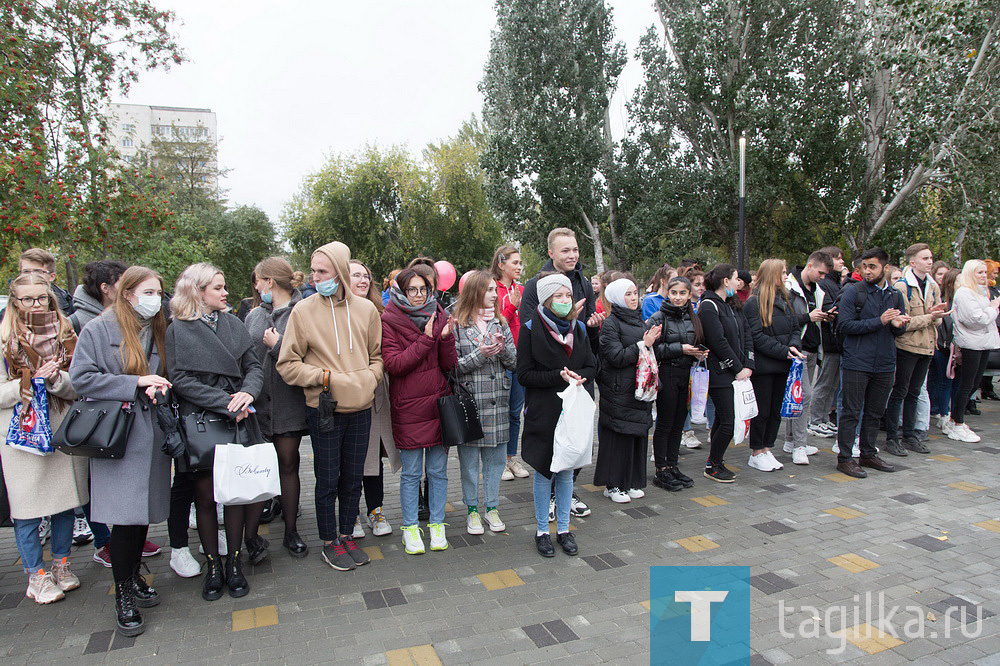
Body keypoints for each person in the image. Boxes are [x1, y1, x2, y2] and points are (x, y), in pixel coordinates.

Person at [71, 266, 173, 636]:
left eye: (159, 292)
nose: (155, 299)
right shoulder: (99, 329)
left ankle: (131, 579)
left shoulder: (156, 327)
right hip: (118, 435)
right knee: (126, 519)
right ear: (126, 292)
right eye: (148, 292)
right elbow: (81, 378)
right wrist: (136, 382)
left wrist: (158, 386)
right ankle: (123, 595)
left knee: (142, 513)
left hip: (151, 432)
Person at [277, 243, 383, 571]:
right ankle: (328, 540)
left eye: (322, 271)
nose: (315, 276)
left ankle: (346, 533)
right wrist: (325, 377)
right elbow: (287, 364)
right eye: (314, 270)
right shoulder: (303, 311)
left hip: (361, 407)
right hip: (323, 408)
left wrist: (367, 379)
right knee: (327, 479)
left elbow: (377, 358)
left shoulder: (366, 310)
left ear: (338, 272)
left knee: (353, 477)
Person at [166, 263, 264, 599]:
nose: (225, 293)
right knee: (205, 499)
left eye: (224, 287)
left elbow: (253, 365)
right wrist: (227, 402)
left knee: (235, 497)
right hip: (204, 424)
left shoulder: (233, 323)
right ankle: (213, 567)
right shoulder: (178, 328)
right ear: (197, 291)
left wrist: (249, 392)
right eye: (218, 288)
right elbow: (180, 379)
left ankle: (234, 564)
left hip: (241, 418)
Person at [0, 273, 84, 605]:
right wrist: (28, 382)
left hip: (61, 423)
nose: (36, 305)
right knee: (27, 508)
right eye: (28, 299)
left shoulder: (66, 333)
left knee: (64, 502)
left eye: (42, 298)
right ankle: (36, 575)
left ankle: (61, 565)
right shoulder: (3, 338)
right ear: (14, 301)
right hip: (21, 430)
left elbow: (80, 382)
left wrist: (55, 380)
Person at [519, 228, 602, 519]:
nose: (572, 255)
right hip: (548, 385)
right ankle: (550, 497)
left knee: (577, 444)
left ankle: (567, 491)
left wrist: (589, 326)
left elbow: (587, 345)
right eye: (565, 250)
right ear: (551, 253)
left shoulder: (585, 284)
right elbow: (532, 329)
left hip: (578, 380)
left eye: (576, 249)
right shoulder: (535, 285)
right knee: (549, 448)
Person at [518, 274, 597, 557]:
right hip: (544, 411)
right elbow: (524, 374)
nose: (565, 301)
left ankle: (564, 529)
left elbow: (591, 364)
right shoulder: (529, 328)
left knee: (567, 472)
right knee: (544, 470)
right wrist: (557, 376)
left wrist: (580, 377)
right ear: (546, 299)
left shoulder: (580, 329)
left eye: (568, 296)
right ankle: (542, 531)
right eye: (559, 297)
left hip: (572, 409)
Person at [380, 266, 456, 554]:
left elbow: (448, 365)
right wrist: (426, 339)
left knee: (438, 472)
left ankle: (437, 524)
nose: (418, 295)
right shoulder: (389, 319)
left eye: (423, 289)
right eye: (412, 289)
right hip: (408, 408)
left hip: (437, 405)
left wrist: (446, 338)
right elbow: (395, 364)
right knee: (411, 473)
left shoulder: (440, 315)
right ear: (400, 290)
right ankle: (410, 528)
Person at [243, 258, 310, 557]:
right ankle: (251, 535)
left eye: (258, 280)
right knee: (258, 469)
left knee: (288, 464)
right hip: (258, 406)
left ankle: (291, 532)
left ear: (269, 281)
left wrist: (279, 345)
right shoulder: (254, 315)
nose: (256, 287)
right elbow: (245, 358)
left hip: (289, 403)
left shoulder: (303, 312)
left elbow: (312, 358)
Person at [834, 248, 908, 478]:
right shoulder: (852, 292)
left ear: (886, 268)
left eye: (872, 266)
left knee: (875, 412)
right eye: (864, 266)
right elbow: (844, 326)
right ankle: (845, 458)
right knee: (851, 411)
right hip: (857, 361)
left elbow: (899, 329)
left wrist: (899, 325)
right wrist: (880, 321)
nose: (867, 271)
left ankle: (868, 453)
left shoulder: (895, 295)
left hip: (885, 363)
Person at [452, 270, 516, 534]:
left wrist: (503, 349)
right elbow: (453, 367)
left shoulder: (500, 323)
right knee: (469, 464)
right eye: (488, 289)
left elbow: (515, 362)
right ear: (474, 292)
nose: (493, 294)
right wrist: (481, 354)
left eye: (494, 290)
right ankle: (471, 510)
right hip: (471, 404)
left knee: (496, 461)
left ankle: (491, 507)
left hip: (498, 401)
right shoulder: (457, 323)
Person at [346, 259, 400, 539]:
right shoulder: (335, 313)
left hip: (378, 393)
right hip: (347, 394)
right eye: (356, 275)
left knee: (372, 456)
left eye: (366, 275)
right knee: (351, 457)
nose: (363, 280)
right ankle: (350, 513)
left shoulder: (382, 312)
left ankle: (375, 510)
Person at [594, 278, 657, 502]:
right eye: (628, 294)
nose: (633, 298)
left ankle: (630, 481)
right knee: (618, 437)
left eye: (634, 293)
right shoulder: (611, 324)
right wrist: (644, 345)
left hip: (639, 390)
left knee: (636, 435)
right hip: (619, 390)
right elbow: (615, 356)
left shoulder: (640, 321)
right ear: (617, 298)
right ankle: (613, 485)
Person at [744, 259, 810, 470]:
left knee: (775, 411)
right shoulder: (754, 303)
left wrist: (793, 346)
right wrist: (784, 351)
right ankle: (756, 451)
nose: (785, 276)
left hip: (784, 365)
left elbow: (794, 329)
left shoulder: (786, 299)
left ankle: (767, 448)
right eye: (782, 272)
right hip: (764, 367)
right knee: (762, 411)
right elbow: (755, 336)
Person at [883, 244, 947, 456]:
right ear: (913, 262)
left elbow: (935, 321)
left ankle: (910, 435)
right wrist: (930, 317)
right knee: (900, 391)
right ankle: (893, 437)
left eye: (931, 257)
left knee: (915, 392)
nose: (930, 261)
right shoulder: (902, 287)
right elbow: (904, 322)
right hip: (907, 347)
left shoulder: (933, 286)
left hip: (927, 347)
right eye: (925, 258)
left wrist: (934, 316)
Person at [647, 276, 706, 491]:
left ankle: (672, 464)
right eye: (674, 293)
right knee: (665, 422)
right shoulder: (658, 317)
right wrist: (679, 349)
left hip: (686, 374)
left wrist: (699, 352)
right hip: (666, 373)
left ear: (689, 295)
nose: (678, 297)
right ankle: (661, 469)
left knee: (679, 422)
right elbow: (650, 349)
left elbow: (697, 342)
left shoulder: (694, 317)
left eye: (683, 293)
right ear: (668, 293)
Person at [697, 264, 754, 483]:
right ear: (725, 281)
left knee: (724, 419)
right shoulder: (709, 306)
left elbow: (746, 333)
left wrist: (748, 363)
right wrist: (737, 368)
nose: (738, 283)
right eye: (735, 278)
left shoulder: (731, 304)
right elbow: (717, 341)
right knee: (728, 421)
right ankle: (712, 464)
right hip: (721, 373)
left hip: (737, 372)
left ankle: (717, 460)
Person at [946, 260, 1000, 443]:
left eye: (985, 272)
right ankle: (957, 422)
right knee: (966, 384)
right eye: (980, 273)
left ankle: (956, 419)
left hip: (983, 342)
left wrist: (989, 312)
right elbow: (976, 319)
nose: (984, 276)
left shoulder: (980, 292)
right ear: (970, 273)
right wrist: (993, 309)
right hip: (971, 343)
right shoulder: (964, 293)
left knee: (975, 383)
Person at [784, 251, 834, 449]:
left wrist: (826, 316)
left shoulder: (817, 290)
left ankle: (790, 440)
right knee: (803, 396)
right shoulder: (790, 288)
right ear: (810, 265)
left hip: (814, 347)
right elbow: (782, 321)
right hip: (798, 349)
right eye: (820, 273)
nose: (822, 278)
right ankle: (799, 445)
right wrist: (808, 317)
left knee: (797, 398)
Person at [491, 244, 530, 480]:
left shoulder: (523, 289)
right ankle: (498, 462)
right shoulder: (491, 289)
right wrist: (511, 306)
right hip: (500, 360)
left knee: (516, 412)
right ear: (501, 264)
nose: (519, 267)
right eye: (515, 262)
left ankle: (510, 458)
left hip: (521, 360)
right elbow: (495, 325)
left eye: (520, 263)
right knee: (501, 412)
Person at [811, 246, 846, 436]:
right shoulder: (824, 284)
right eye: (838, 259)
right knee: (824, 382)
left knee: (832, 384)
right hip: (827, 340)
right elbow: (823, 308)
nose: (842, 263)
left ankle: (824, 417)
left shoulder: (835, 284)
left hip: (836, 341)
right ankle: (816, 419)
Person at [929, 269, 960, 429]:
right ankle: (943, 413)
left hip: (956, 346)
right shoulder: (942, 301)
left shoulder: (961, 299)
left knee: (955, 382)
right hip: (943, 346)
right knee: (944, 380)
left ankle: (953, 413)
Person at [70, 260, 128, 333]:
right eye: (123, 285)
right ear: (105, 288)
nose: (127, 290)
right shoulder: (72, 325)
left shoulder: (127, 319)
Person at [17, 248, 75, 317]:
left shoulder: (68, 306)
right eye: (26, 272)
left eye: (38, 272)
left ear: (52, 276)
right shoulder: (9, 312)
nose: (31, 276)